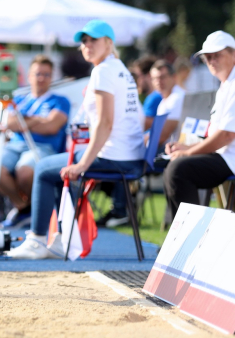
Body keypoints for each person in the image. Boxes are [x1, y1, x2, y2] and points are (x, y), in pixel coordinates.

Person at [8, 20, 145, 259]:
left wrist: (82, 165)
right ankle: (62, 239)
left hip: (115, 157)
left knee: (42, 169)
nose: (87, 45)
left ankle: (38, 240)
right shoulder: (120, 69)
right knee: (59, 167)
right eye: (84, 41)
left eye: (94, 39)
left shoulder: (103, 71)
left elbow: (105, 123)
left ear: (109, 43)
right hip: (128, 155)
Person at [164, 31, 235, 218]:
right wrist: (188, 147)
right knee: (176, 167)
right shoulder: (231, 82)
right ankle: (182, 239)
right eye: (208, 57)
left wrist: (188, 152)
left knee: (179, 170)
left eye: (217, 55)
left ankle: (188, 241)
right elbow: (222, 135)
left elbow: (227, 135)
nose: (212, 61)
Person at [0, 56, 70, 226]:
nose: (42, 78)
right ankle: (24, 208)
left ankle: (39, 212)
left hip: (43, 147)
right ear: (29, 76)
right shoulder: (19, 99)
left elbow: (52, 127)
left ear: (51, 77)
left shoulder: (60, 101)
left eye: (46, 74)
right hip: (15, 146)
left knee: (25, 172)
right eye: (38, 74)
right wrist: (39, 120)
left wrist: (24, 122)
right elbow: (9, 123)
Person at [149, 60, 186, 145]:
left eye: (162, 77)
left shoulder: (177, 98)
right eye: (154, 78)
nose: (158, 81)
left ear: (174, 77)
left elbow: (162, 136)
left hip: (174, 151)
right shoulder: (166, 99)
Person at [131, 55, 162, 130]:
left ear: (148, 75)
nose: (137, 81)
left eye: (138, 76)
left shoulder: (154, 98)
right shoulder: (156, 96)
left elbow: (143, 126)